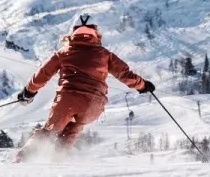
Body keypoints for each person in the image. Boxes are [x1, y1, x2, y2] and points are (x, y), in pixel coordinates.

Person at [14, 16, 153, 160]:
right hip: (93, 105)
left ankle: (21, 159)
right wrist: (143, 85)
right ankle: (57, 161)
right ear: (96, 33)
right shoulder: (105, 55)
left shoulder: (63, 53)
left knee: (49, 132)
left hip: (67, 100)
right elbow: (125, 74)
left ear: (72, 33)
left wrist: (29, 92)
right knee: (72, 130)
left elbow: (42, 75)